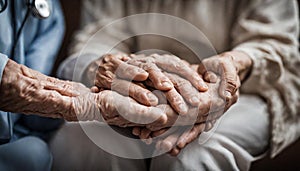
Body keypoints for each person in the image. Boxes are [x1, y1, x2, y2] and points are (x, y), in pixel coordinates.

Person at [57, 0, 300, 170]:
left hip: (249, 87)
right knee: (86, 140)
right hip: (142, 87)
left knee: (191, 155)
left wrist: (230, 69)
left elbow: (272, 44)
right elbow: (96, 38)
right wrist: (120, 73)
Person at [0, 1, 169, 170]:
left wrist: (188, 101)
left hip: (26, 145)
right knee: (88, 137)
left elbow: (30, 119)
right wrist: (87, 101)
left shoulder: (47, 9)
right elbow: (17, 87)